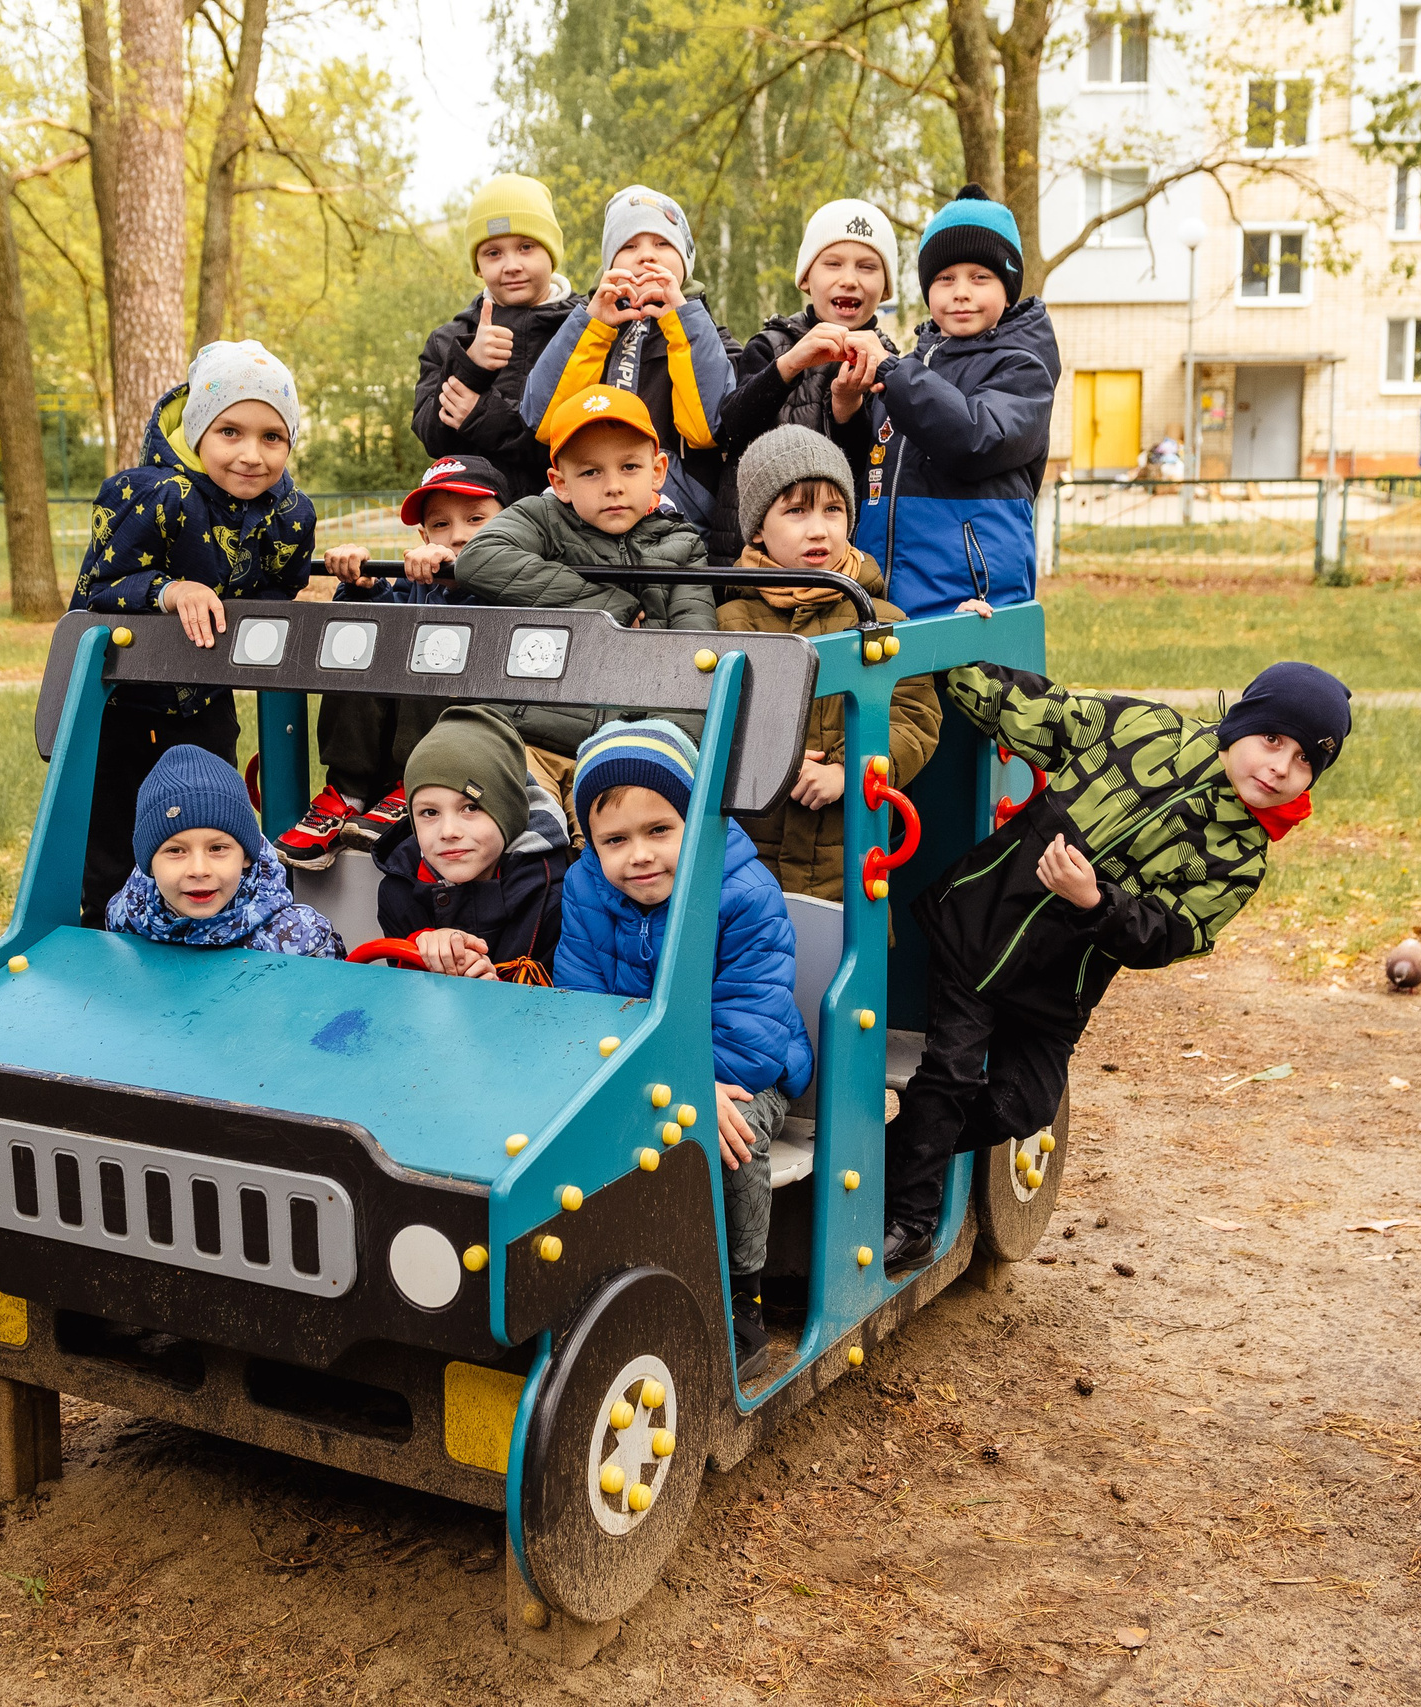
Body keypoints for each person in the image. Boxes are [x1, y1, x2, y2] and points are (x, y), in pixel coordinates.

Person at [880, 658, 1352, 1269]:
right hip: (978, 935)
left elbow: (1172, 935)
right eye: (1272, 740)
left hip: (1058, 989)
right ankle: (911, 1218)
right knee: (951, 1073)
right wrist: (964, 652)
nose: (1280, 767)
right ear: (1243, 721)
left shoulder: (1241, 856)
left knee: (1021, 1107)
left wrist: (1096, 903)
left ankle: (883, 1157)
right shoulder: (1144, 730)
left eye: (1305, 762)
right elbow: (1044, 714)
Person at [556, 719, 811, 1380]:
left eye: (658, 831)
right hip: (638, 1063)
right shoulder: (586, 890)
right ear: (592, 843)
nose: (637, 854)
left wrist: (698, 1085)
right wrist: (627, 1076)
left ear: (696, 819)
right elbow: (579, 1003)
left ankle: (742, 1293)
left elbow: (751, 1018)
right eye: (615, 839)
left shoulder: (743, 892)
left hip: (742, 1071)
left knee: (731, 1139)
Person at [68, 341, 313, 923]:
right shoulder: (155, 493)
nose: (252, 455)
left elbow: (280, 593)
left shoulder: (290, 513)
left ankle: (214, 927)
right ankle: (108, 936)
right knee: (118, 833)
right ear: (198, 429)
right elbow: (98, 586)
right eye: (230, 432)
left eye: (272, 437)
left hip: (205, 693)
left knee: (212, 820)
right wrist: (168, 590)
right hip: (123, 703)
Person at [454, 385, 720, 812]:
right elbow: (479, 559)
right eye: (591, 472)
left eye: (629, 467)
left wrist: (673, 748)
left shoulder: (683, 546)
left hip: (629, 742)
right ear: (560, 482)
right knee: (512, 818)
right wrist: (607, 610)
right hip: (530, 732)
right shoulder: (541, 518)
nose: (613, 486)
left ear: (657, 471)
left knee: (616, 835)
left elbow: (694, 657)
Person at [717, 425, 942, 899]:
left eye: (833, 510)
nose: (818, 529)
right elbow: (705, 721)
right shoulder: (729, 621)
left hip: (850, 863)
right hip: (748, 862)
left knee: (843, 962)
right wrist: (768, 762)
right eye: (796, 511)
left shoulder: (880, 619)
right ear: (758, 527)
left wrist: (847, 771)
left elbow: (914, 717)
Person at [278, 455, 509, 869]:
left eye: (476, 519)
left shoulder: (517, 578)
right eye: (441, 525)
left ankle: (415, 787)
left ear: (509, 524)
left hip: (470, 739)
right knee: (361, 640)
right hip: (395, 742)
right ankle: (349, 793)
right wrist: (365, 587)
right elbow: (385, 624)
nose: (458, 537)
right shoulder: (416, 579)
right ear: (423, 536)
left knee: (437, 640)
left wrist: (451, 588)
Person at [841, 185, 1059, 618]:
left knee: (972, 686)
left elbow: (975, 438)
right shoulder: (913, 368)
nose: (960, 292)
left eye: (980, 277)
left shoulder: (1024, 368)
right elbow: (873, 461)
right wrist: (847, 408)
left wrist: (890, 370)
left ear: (1009, 288)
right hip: (888, 591)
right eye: (945, 279)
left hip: (972, 598)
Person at [520, 185, 743, 556]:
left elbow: (708, 428)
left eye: (662, 245)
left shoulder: (709, 334)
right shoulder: (581, 323)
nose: (646, 258)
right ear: (609, 262)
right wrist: (593, 325)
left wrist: (682, 319)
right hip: (584, 526)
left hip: (677, 530)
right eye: (629, 246)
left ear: (685, 261)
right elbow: (541, 420)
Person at [711, 198, 904, 545]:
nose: (849, 280)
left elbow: (871, 470)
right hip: (751, 556)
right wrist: (789, 365)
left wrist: (847, 406)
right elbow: (729, 430)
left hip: (837, 554)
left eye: (867, 267)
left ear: (886, 287)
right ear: (805, 279)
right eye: (832, 264)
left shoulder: (890, 364)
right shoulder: (772, 345)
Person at [371, 705, 574, 980]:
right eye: (429, 812)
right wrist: (424, 948)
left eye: (470, 808)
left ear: (509, 813)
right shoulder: (398, 893)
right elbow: (411, 1001)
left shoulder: (555, 895)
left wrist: (496, 988)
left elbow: (563, 1006)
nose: (449, 831)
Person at [413, 174, 577, 504]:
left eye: (526, 247)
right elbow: (434, 438)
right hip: (476, 530)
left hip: (567, 528)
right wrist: (470, 366)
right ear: (477, 266)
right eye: (493, 253)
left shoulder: (587, 330)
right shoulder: (450, 340)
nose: (511, 265)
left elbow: (576, 447)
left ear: (552, 252)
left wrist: (483, 416)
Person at [105, 744, 344, 957]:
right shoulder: (126, 919)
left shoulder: (299, 941)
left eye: (217, 848)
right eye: (176, 851)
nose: (198, 870)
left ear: (247, 855)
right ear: (149, 864)